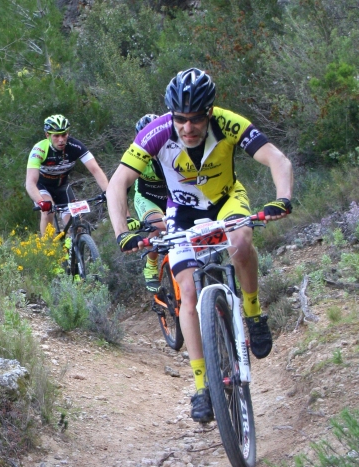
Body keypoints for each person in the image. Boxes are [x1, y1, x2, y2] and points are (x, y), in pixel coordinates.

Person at [106, 68, 293, 423]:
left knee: (240, 242)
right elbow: (117, 184)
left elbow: (276, 158)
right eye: (180, 119)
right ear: (171, 115)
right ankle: (202, 387)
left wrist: (282, 198)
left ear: (209, 112)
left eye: (195, 120)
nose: (187, 128)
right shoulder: (157, 132)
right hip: (182, 211)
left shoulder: (229, 122)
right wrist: (122, 233)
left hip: (226, 200)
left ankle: (253, 314)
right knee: (187, 293)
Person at [26, 114, 109, 236]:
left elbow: (95, 170)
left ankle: (72, 249)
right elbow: (30, 182)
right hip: (42, 187)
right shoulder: (39, 150)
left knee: (76, 223)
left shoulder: (75, 146)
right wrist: (40, 202)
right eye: (56, 136)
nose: (61, 140)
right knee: (48, 211)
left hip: (62, 187)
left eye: (64, 134)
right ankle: (48, 249)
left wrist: (108, 192)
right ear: (47, 135)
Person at [129, 114, 169, 292]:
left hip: (170, 196)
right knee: (159, 226)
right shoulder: (136, 155)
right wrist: (127, 218)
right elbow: (121, 188)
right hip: (147, 197)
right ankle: (151, 264)